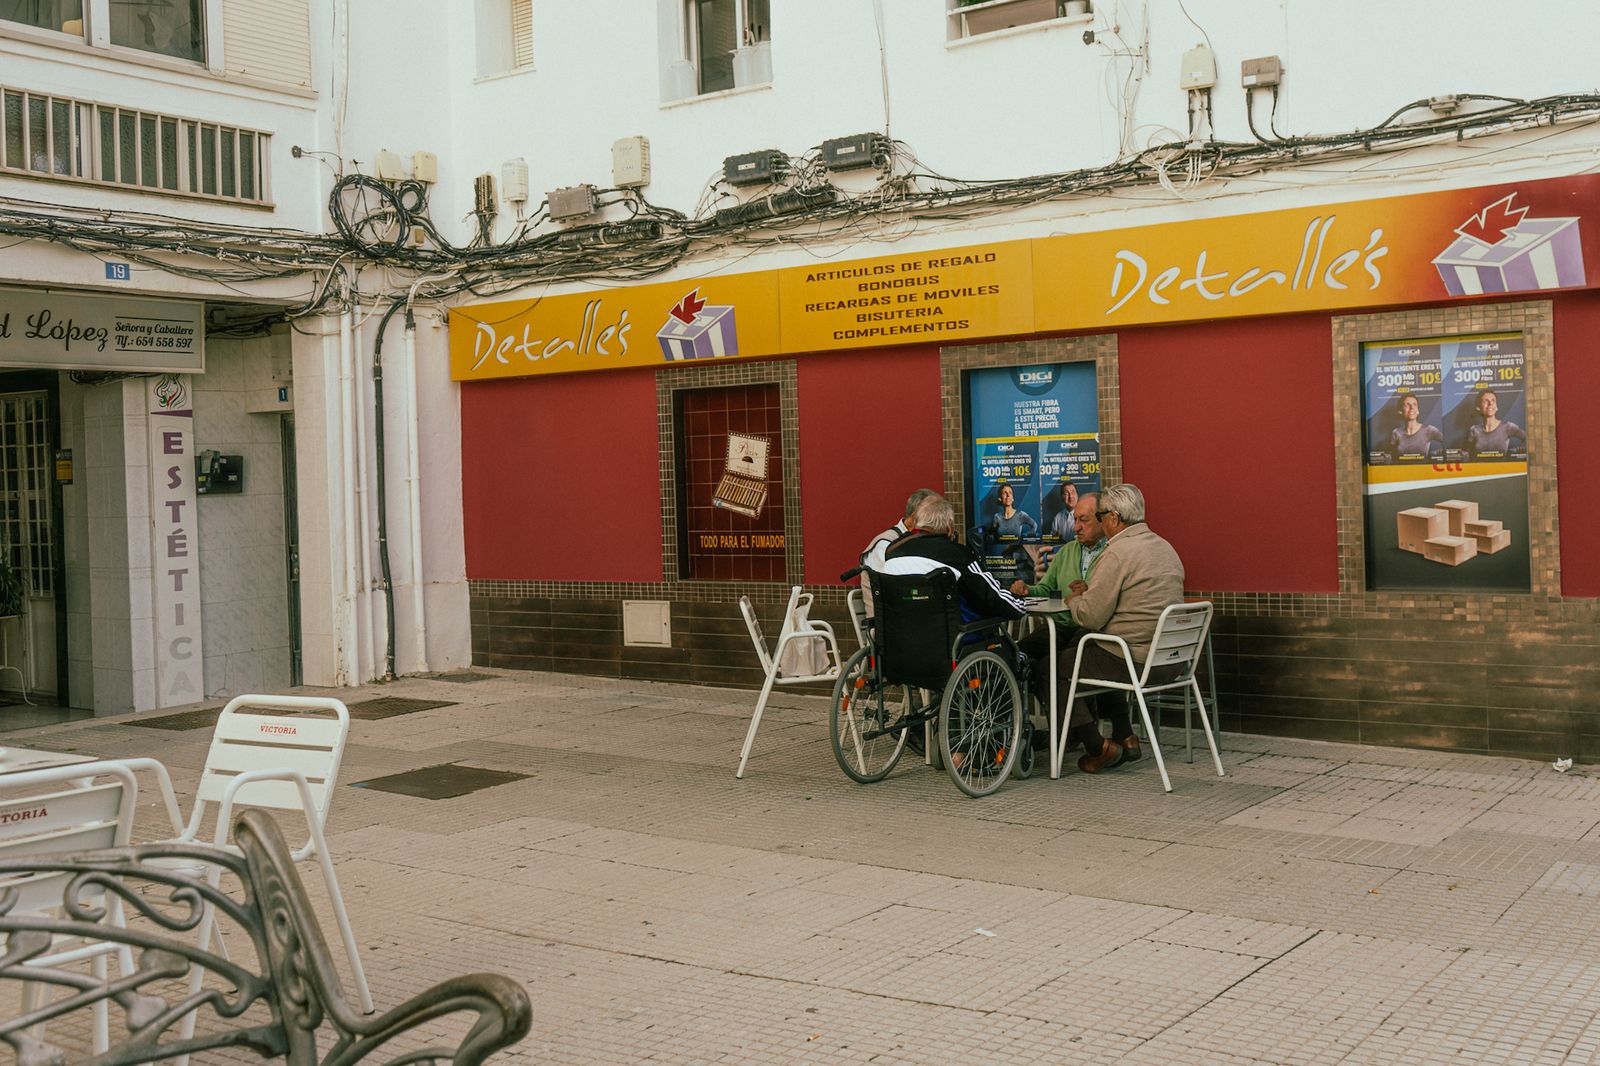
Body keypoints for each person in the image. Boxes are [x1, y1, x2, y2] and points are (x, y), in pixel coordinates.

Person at [1059, 483, 1185, 775]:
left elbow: (1090, 617)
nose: (1100, 523)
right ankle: (1125, 736)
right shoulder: (1164, 547)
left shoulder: (1117, 553)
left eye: (1101, 516)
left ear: (1114, 518)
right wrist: (1093, 590)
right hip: (1171, 661)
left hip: (1137, 661)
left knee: (1056, 667)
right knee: (1089, 651)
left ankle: (1097, 748)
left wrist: (1077, 599)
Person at [1010, 491, 1112, 752]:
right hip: (1061, 624)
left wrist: (1089, 591)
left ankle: (1072, 733)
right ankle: (1063, 729)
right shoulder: (1068, 551)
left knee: (1053, 666)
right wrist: (1025, 589)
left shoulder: (1114, 554)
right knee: (1018, 655)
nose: (1075, 526)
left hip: (1092, 628)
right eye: (1075, 519)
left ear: (1103, 521)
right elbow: (1045, 589)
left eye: (1084, 520)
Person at [882, 493, 1025, 626]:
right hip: (956, 645)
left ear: (917, 522)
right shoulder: (958, 555)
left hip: (900, 646)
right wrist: (1020, 602)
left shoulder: (892, 551)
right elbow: (997, 599)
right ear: (949, 527)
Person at [859, 488, 938, 616]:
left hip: (912, 615)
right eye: (933, 519)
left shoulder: (920, 541)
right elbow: (892, 589)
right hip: (888, 622)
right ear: (913, 519)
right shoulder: (884, 544)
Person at [1464, 388, 1525, 457]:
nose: (1490, 403)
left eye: (1493, 400)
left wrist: (1519, 452)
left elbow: (1528, 439)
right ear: (1479, 407)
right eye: (1486, 401)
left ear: (1496, 407)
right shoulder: (1474, 430)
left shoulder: (1508, 427)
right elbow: (1466, 453)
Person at [1388, 393, 1443, 460]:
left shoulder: (1429, 430)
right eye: (1407, 405)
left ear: (1418, 411)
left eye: (1415, 404)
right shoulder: (1396, 432)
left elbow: (1448, 443)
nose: (1412, 407)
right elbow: (1391, 455)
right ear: (1400, 411)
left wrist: (1437, 454)